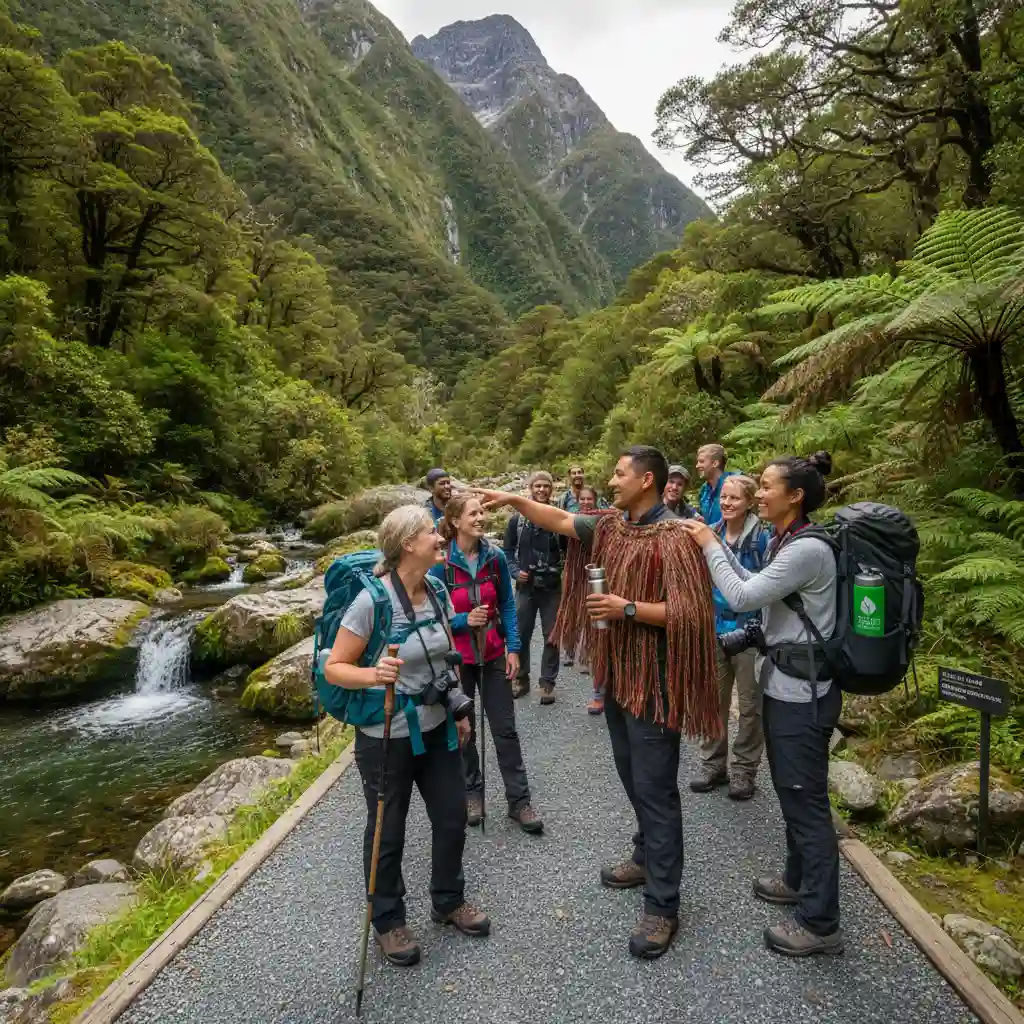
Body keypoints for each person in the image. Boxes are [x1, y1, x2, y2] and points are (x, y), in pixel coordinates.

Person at [476, 447, 719, 959]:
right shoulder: (610, 527)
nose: (611, 480)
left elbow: (692, 614)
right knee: (633, 777)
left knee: (655, 790)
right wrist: (516, 499)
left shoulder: (676, 536)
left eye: (620, 473)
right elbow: (562, 518)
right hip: (617, 678)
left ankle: (663, 906)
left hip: (655, 683)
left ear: (647, 480)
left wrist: (624, 607)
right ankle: (645, 854)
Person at [680, 452, 843, 958]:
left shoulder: (806, 550)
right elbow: (771, 609)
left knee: (806, 802)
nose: (761, 493)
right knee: (792, 792)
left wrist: (708, 542)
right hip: (787, 684)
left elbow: (745, 594)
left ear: (794, 496)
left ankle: (820, 923)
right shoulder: (784, 539)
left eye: (768, 485)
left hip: (803, 694)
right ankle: (798, 880)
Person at [323, 505, 490, 967]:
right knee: (388, 832)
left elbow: (444, 655)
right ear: (407, 544)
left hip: (437, 729)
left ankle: (448, 900)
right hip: (385, 737)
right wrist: (375, 673)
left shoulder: (436, 590)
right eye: (429, 533)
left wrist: (457, 706)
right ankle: (388, 921)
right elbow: (335, 668)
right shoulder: (372, 602)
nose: (440, 538)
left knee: (453, 817)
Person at [431, 493, 544, 834]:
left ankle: (519, 801)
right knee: (464, 730)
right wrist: (465, 620)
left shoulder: (493, 558)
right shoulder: (440, 565)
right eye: (473, 513)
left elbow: (508, 606)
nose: (481, 518)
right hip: (457, 661)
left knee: (505, 729)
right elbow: (434, 620)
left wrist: (514, 648)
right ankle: (471, 794)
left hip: (493, 653)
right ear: (454, 521)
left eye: (482, 512)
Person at [688, 475, 769, 801]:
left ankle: (744, 771)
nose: (727, 503)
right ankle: (713, 765)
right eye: (723, 497)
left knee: (750, 706)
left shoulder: (761, 539)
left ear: (749, 502)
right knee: (712, 700)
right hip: (714, 628)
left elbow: (767, 585)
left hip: (749, 633)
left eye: (734, 498)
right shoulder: (712, 532)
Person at [504, 470, 563, 704]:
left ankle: (547, 683)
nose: (541, 490)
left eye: (545, 486)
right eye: (537, 486)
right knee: (521, 633)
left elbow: (569, 552)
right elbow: (507, 551)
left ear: (551, 489)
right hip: (525, 586)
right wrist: (516, 572)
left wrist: (560, 572)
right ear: (531, 488)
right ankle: (521, 677)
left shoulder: (559, 517)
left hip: (551, 587)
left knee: (552, 635)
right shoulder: (518, 520)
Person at [696, 444, 735, 524]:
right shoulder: (704, 490)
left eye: (701, 462)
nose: (697, 466)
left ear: (715, 463)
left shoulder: (734, 486)